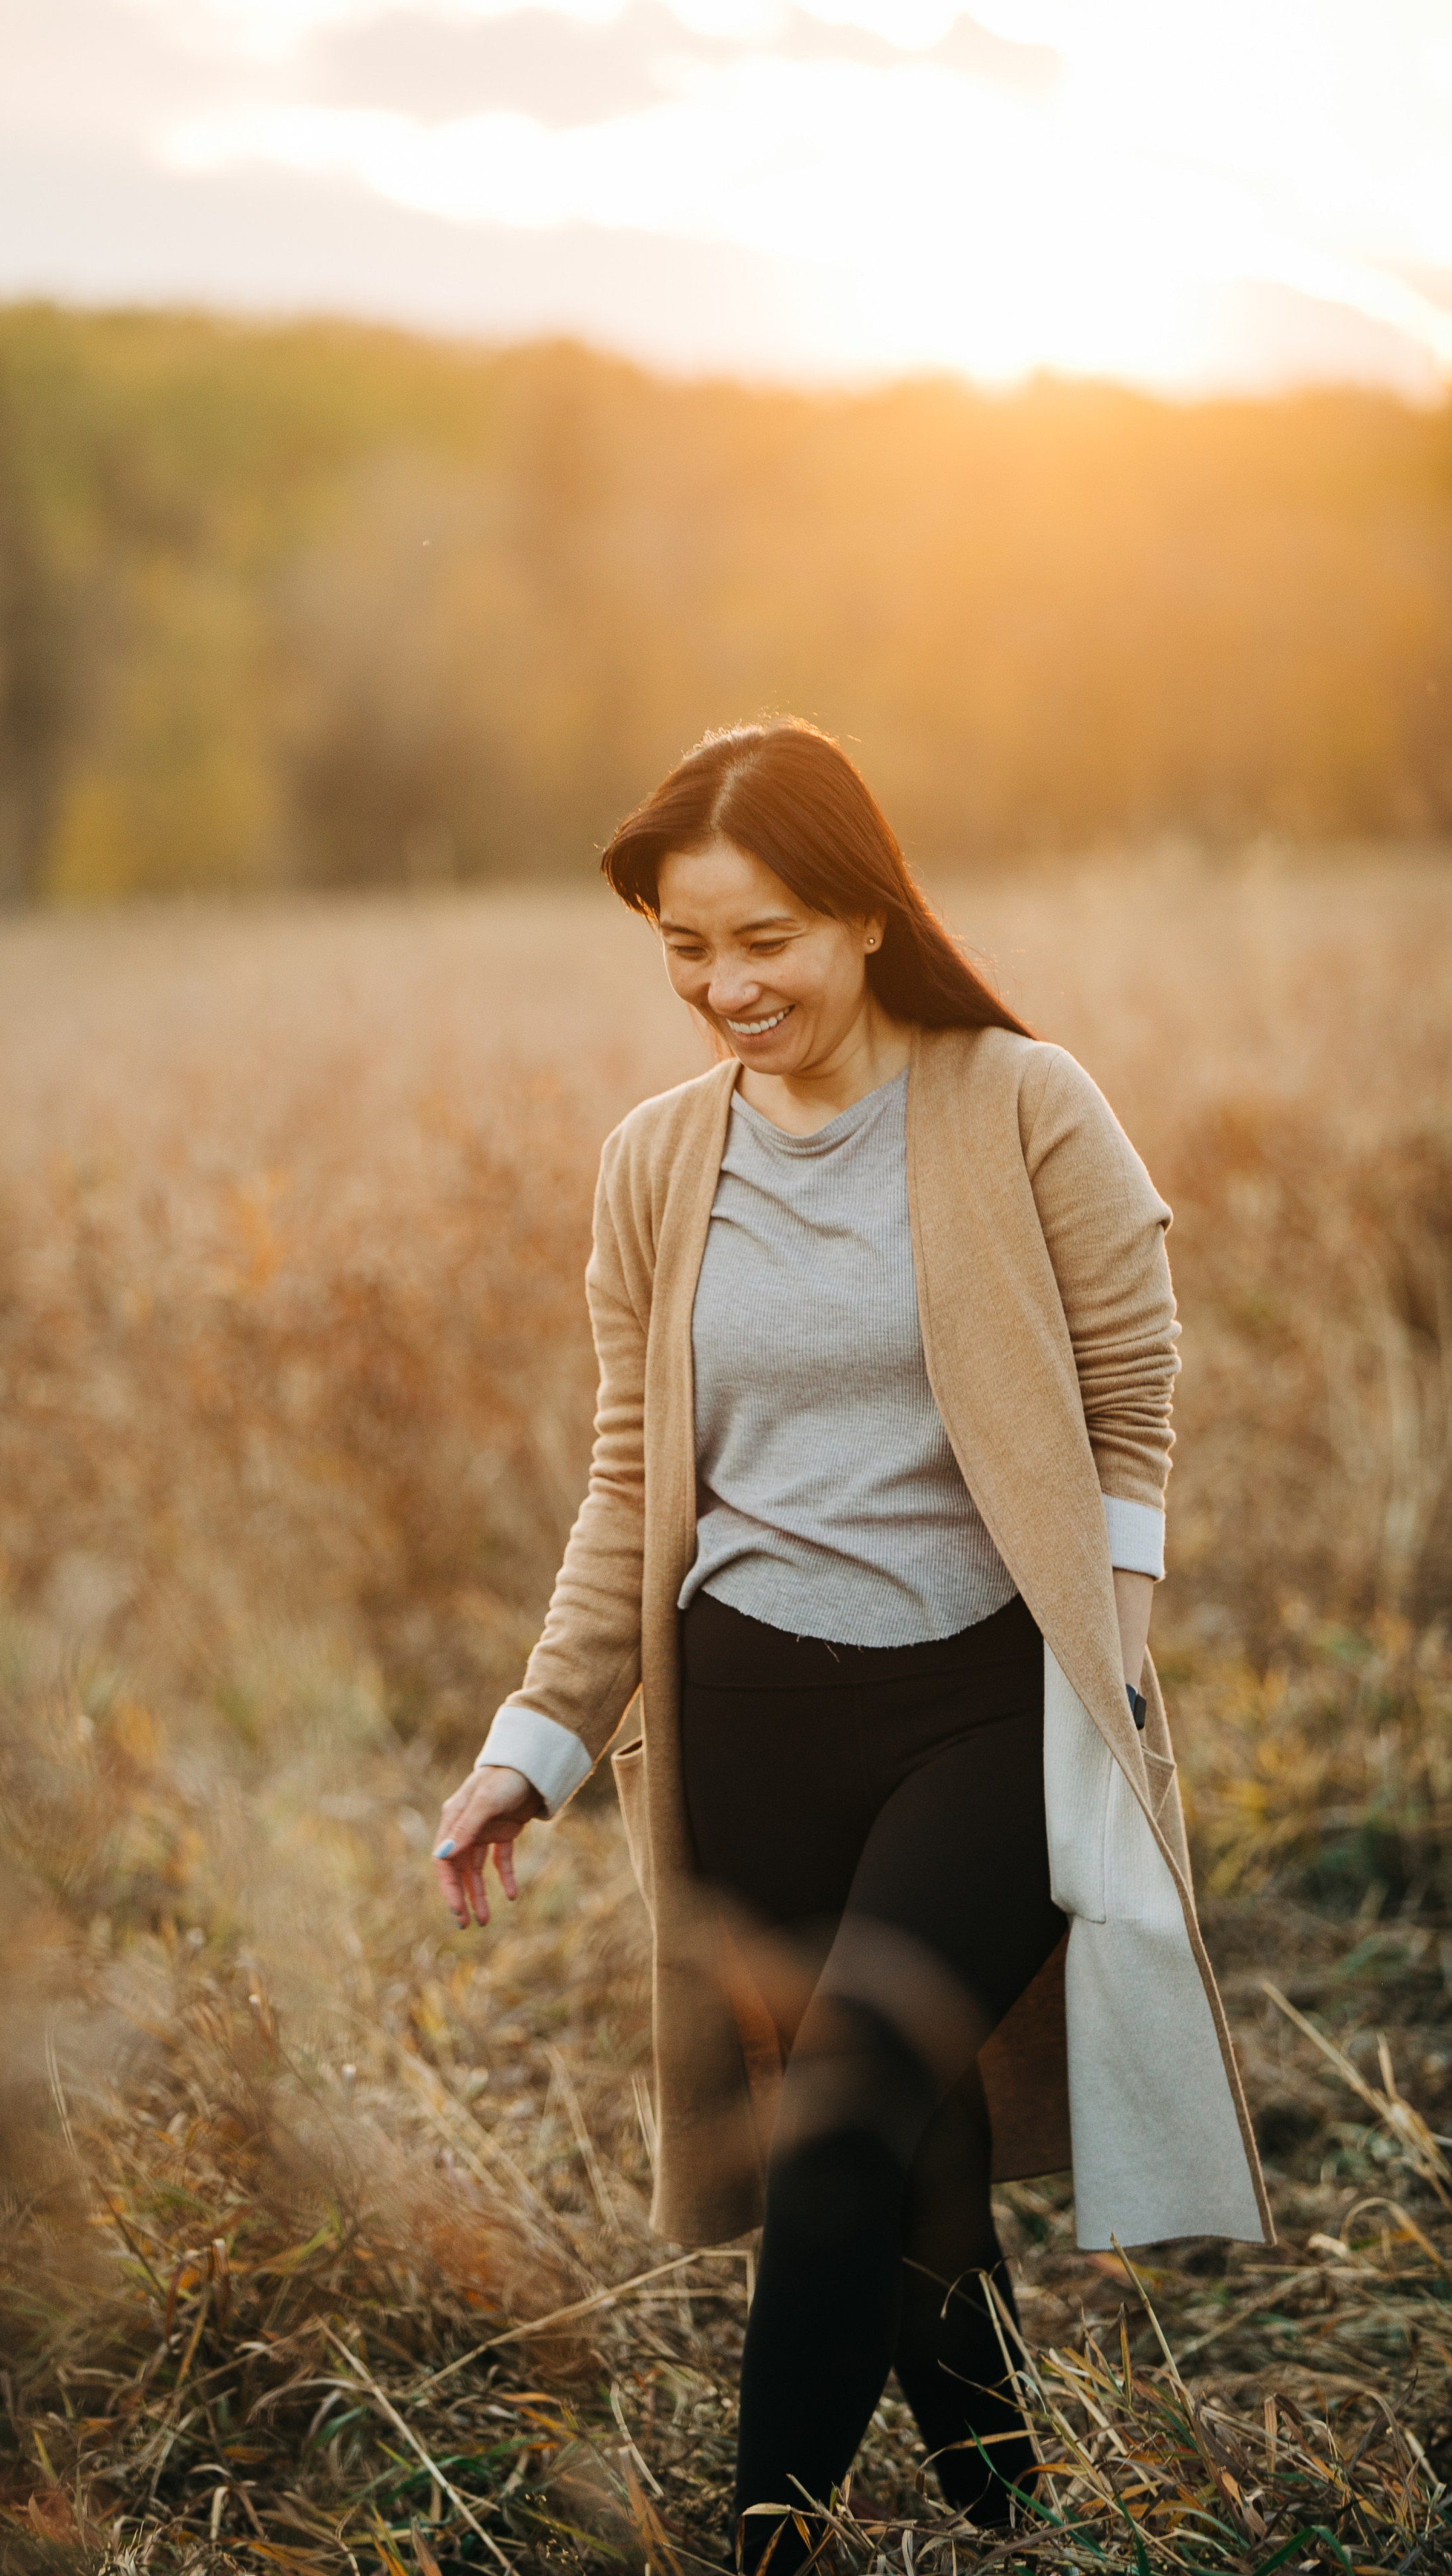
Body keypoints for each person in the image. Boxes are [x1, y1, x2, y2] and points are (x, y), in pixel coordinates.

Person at [431, 720, 1270, 2569]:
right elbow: (633, 1475)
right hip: (747, 1722)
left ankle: (764, 2538)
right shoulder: (654, 1167)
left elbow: (1132, 1396)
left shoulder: (1022, 1102)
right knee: (909, 2170)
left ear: (870, 918)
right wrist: (539, 1738)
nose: (726, 986)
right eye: (685, 949)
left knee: (839, 2122)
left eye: (769, 940)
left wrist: (1108, 1662)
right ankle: (1013, 2511)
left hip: (983, 1702)